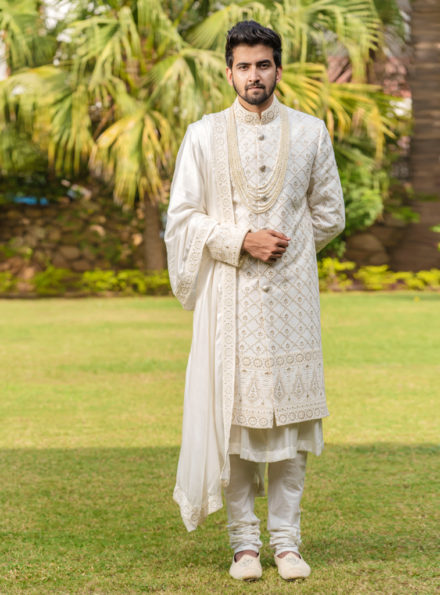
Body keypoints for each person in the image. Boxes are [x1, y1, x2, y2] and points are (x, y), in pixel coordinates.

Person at [165, 20, 345, 582]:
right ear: (229, 72)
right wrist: (243, 241)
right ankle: (245, 545)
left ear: (278, 69)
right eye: (243, 66)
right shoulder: (202, 136)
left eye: (263, 64)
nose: (253, 76)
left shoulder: (313, 132)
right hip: (231, 300)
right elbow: (182, 219)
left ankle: (288, 543)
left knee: (290, 426)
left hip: (292, 299)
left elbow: (331, 213)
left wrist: (284, 250)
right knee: (237, 425)